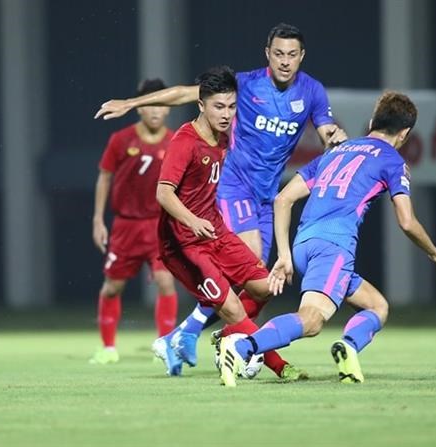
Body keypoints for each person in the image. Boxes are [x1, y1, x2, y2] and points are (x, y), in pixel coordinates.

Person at [95, 23, 346, 372]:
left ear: (302, 56)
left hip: (266, 196)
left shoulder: (313, 92)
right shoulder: (245, 84)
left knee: (262, 286)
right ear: (267, 54)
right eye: (278, 53)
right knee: (250, 264)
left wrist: (336, 139)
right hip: (233, 186)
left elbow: (326, 131)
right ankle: (253, 351)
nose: (285, 61)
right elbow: (185, 93)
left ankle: (190, 335)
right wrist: (132, 102)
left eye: (292, 54)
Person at [217, 91, 436, 386]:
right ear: (405, 133)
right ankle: (242, 348)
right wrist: (434, 253)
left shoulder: (334, 152)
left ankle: (348, 347)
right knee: (312, 319)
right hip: (333, 247)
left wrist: (284, 256)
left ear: (372, 121)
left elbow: (283, 199)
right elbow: (407, 222)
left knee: (376, 306)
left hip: (303, 244)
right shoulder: (392, 160)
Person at [151, 65, 302, 384]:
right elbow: (163, 193)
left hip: (215, 231)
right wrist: (192, 221)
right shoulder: (185, 141)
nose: (226, 113)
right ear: (201, 104)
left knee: (266, 285)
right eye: (219, 106)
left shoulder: (223, 136)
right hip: (184, 243)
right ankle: (279, 365)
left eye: (231, 106)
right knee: (232, 307)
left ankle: (197, 338)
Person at [90, 79, 178, 365]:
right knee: (112, 287)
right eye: (149, 104)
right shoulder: (121, 139)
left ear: (167, 110)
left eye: (161, 104)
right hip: (125, 226)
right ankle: (108, 348)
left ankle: (164, 346)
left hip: (158, 225)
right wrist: (97, 220)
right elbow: (104, 176)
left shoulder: (175, 141)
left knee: (166, 282)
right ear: (139, 108)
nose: (155, 111)